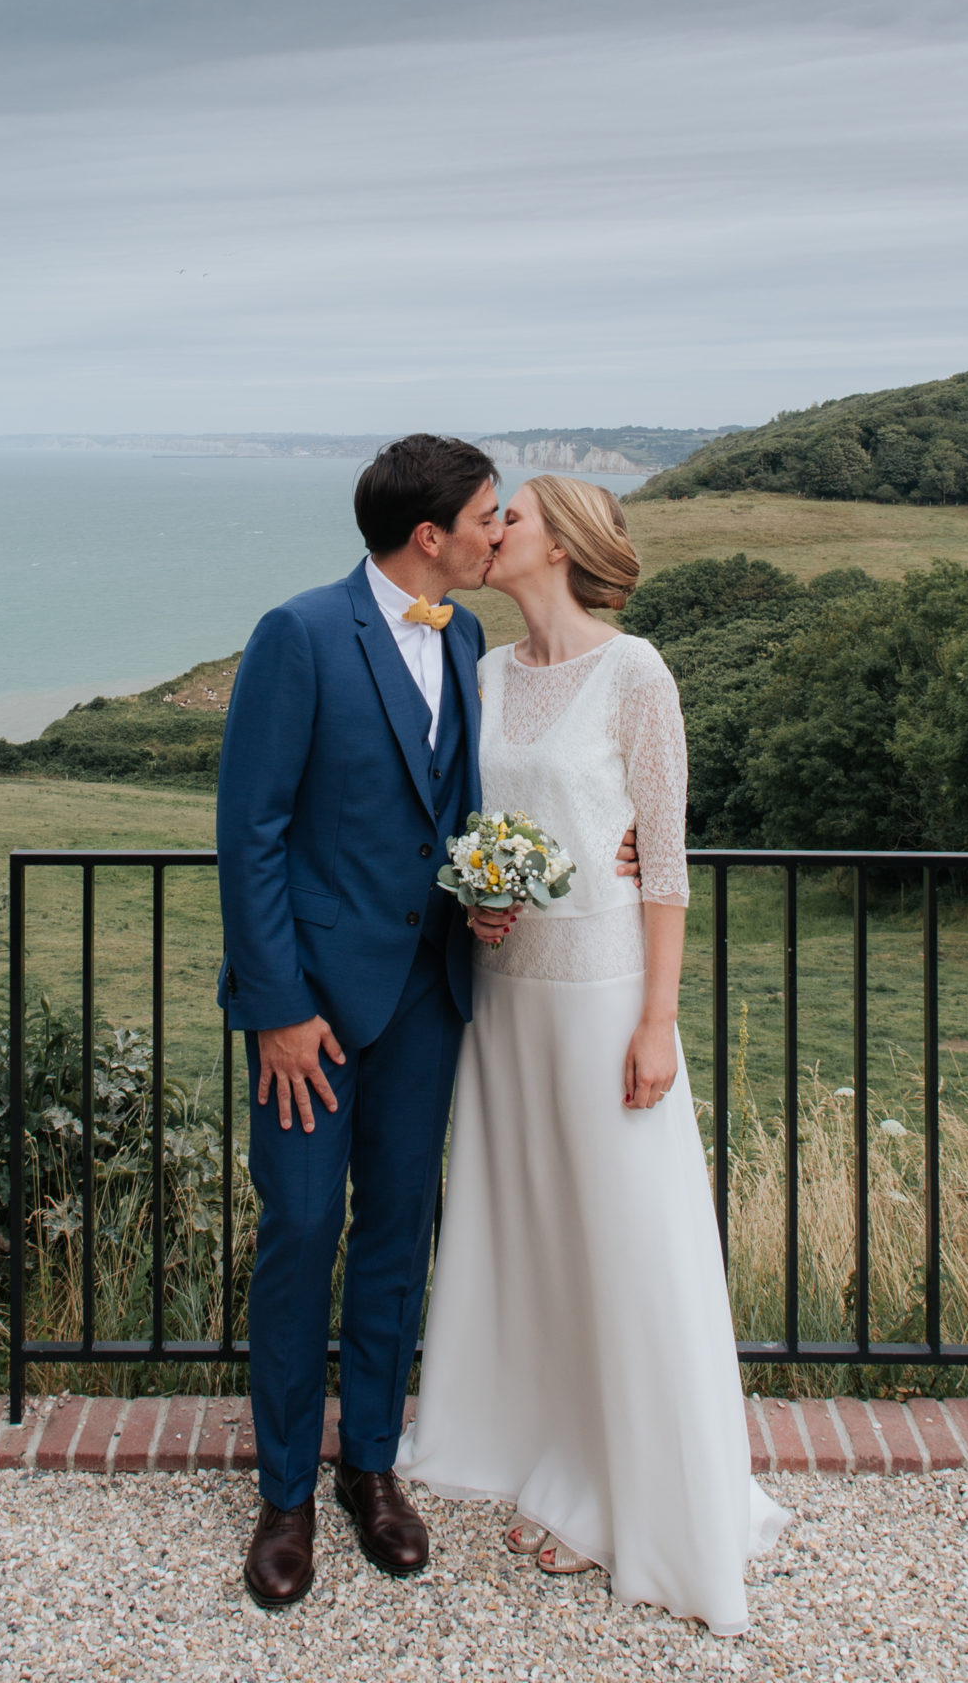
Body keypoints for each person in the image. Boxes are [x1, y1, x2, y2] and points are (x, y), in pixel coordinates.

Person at [215, 435, 638, 1609]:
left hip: (429, 998)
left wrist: (539, 871)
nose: (498, 530)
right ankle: (286, 1491)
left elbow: (477, 800)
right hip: (309, 1014)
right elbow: (248, 832)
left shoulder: (467, 641)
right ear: (431, 536)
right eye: (488, 514)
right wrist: (279, 1009)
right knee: (301, 1230)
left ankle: (373, 1471)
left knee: (400, 1233)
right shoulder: (297, 633)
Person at [396, 475, 789, 1637]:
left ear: (559, 541)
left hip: (608, 992)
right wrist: (481, 904)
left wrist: (658, 1018)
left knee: (624, 1230)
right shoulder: (486, 673)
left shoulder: (638, 673)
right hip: (509, 995)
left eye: (508, 513)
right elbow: (479, 829)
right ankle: (549, 1445)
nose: (491, 528)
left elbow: (661, 862)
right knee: (536, 1224)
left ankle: (632, 1491)